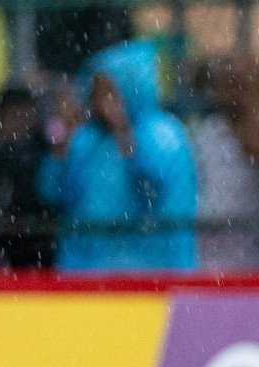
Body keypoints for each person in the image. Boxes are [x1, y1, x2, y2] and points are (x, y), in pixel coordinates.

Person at [37, 40, 196, 272]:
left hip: (153, 271)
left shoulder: (164, 135)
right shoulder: (86, 139)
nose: (102, 102)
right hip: (85, 270)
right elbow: (53, 195)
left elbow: (153, 196)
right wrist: (60, 145)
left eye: (110, 92)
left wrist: (125, 137)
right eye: (97, 92)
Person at [192, 54, 259, 270]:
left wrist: (251, 103)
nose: (234, 90)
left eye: (241, 82)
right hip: (212, 260)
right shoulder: (208, 131)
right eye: (227, 83)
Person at [0, 83, 54, 268]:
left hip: (35, 252)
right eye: (12, 114)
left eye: (24, 113)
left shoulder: (43, 153)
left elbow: (48, 195)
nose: (20, 121)